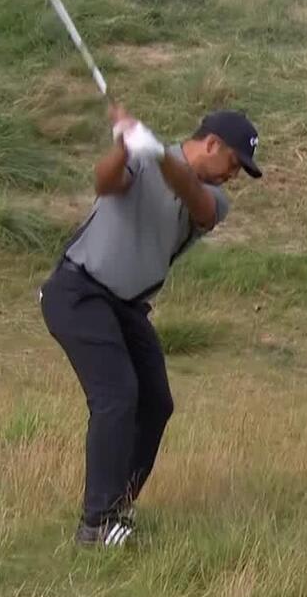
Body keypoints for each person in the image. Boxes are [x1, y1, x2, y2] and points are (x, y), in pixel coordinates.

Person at [40, 103, 263, 547]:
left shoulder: (213, 198)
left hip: (127, 306)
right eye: (234, 163)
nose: (233, 175)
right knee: (117, 395)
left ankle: (118, 506)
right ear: (212, 144)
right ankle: (97, 524)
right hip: (78, 292)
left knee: (156, 403)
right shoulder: (141, 159)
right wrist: (124, 148)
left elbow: (195, 201)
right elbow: (105, 183)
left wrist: (158, 153)